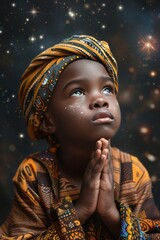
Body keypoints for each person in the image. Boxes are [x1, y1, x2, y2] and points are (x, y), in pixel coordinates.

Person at [0, 35, 160, 240]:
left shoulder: (133, 171)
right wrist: (81, 210)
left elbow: (154, 234)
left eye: (107, 89)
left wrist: (111, 213)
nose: (100, 99)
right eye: (78, 92)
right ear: (48, 121)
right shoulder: (35, 175)